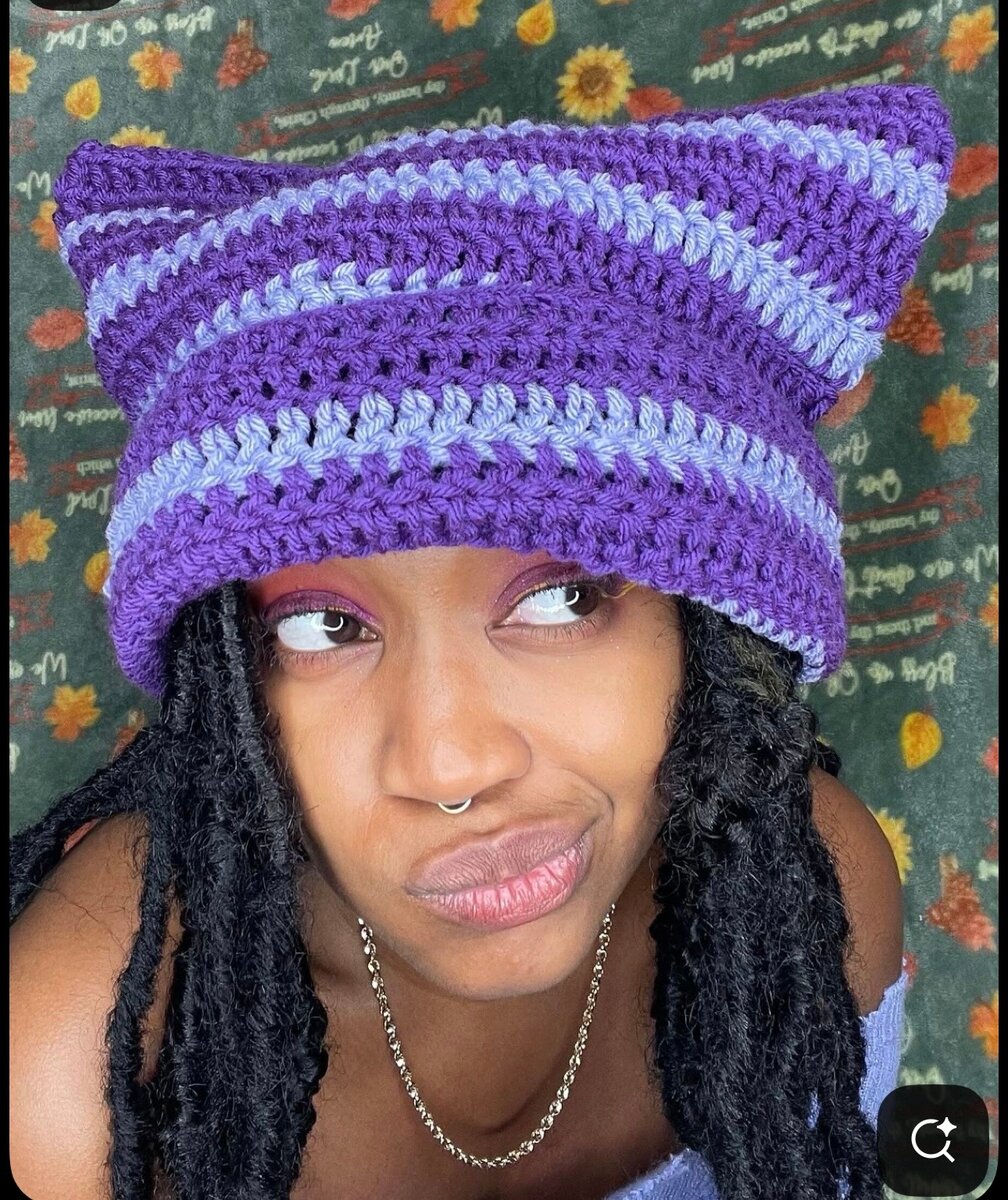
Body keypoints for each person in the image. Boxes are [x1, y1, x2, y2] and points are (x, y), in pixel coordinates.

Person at [9, 82, 953, 1200]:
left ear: (709, 631)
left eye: (562, 601)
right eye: (322, 627)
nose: (452, 764)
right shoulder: (83, 1064)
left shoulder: (810, 899)